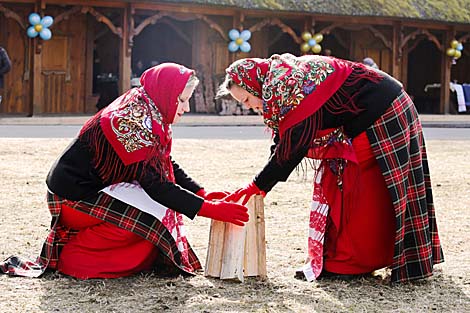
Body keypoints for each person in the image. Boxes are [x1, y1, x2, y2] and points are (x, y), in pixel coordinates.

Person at [1, 63, 248, 279]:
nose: (186, 108)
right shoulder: (130, 120)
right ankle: (73, 258)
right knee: (149, 220)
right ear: (165, 93)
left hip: (95, 189)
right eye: (181, 100)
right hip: (72, 199)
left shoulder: (148, 109)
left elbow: (163, 164)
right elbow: (157, 186)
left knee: (155, 221)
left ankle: (98, 254)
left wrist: (202, 192)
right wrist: (209, 209)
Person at [218, 53, 443, 283]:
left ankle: (352, 262)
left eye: (247, 100)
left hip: (384, 109)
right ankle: (342, 259)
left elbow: (291, 150)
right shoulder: (278, 83)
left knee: (353, 183)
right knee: (344, 181)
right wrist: (261, 184)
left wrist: (257, 185)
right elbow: (283, 141)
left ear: (256, 85)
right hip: (371, 111)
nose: (249, 107)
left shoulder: (287, 84)